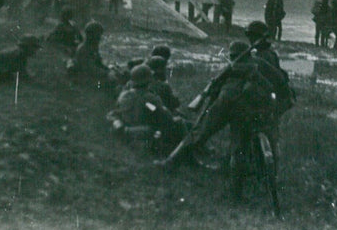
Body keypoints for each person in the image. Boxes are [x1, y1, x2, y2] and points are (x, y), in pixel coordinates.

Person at [157, 41, 281, 199]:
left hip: (225, 102)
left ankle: (171, 161)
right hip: (245, 108)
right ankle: (236, 193)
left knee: (199, 132)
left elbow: (215, 89)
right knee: (239, 147)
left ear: (232, 55)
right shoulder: (254, 66)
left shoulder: (232, 68)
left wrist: (207, 99)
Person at [107, 65, 188, 154]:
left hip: (127, 130)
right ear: (148, 81)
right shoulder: (149, 98)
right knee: (179, 122)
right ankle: (185, 152)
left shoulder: (124, 95)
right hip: (145, 133)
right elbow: (165, 116)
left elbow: (116, 111)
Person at [66, 21, 122, 89]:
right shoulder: (84, 49)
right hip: (85, 79)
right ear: (92, 35)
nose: (100, 38)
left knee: (118, 76)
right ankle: (100, 92)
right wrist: (107, 73)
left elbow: (98, 62)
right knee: (110, 82)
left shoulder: (92, 46)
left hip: (92, 76)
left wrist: (109, 69)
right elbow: (90, 69)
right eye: (98, 35)